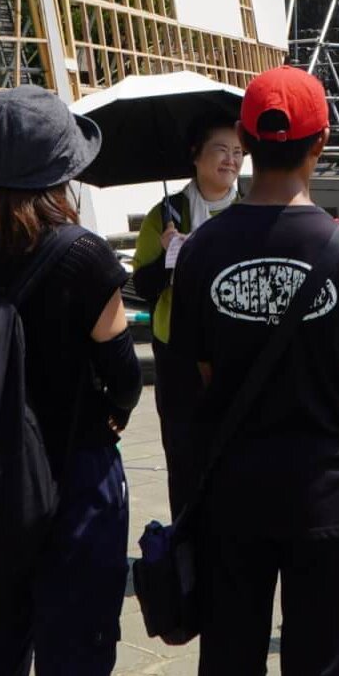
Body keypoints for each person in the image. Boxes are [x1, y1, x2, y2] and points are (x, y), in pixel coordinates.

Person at [171, 66, 339, 676]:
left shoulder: (203, 251)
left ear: (245, 140)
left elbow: (203, 373)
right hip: (326, 494)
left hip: (231, 492)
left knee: (224, 675)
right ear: (320, 144)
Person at [0, 84, 140, 676]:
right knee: (76, 659)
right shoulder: (82, 253)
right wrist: (111, 415)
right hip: (73, 478)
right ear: (64, 172)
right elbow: (124, 375)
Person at [127, 112, 244, 516]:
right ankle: (186, 541)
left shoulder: (250, 210)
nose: (231, 160)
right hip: (177, 350)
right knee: (183, 451)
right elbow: (141, 288)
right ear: (195, 155)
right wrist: (169, 257)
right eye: (220, 150)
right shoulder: (167, 213)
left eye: (238, 152)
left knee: (234, 451)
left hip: (234, 348)